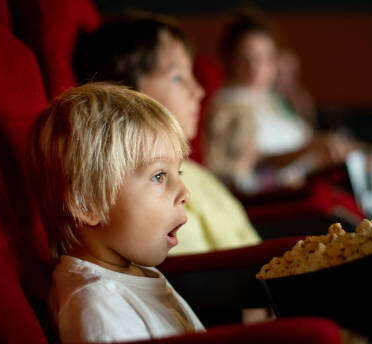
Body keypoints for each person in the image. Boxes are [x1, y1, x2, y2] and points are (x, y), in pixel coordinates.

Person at [208, 14, 372, 222]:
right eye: (246, 59)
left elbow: (304, 134)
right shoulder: (229, 106)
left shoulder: (270, 99)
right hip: (297, 189)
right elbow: (253, 164)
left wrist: (295, 96)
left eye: (265, 59)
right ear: (230, 60)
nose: (256, 68)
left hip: (321, 171)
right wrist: (311, 147)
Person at [30, 83, 205, 343]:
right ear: (88, 204)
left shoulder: (133, 271)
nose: (185, 193)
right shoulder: (97, 308)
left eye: (177, 173)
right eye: (159, 176)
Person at [73, 15, 262, 255]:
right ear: (126, 93)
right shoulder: (140, 194)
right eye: (178, 77)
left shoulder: (195, 173)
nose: (198, 90)